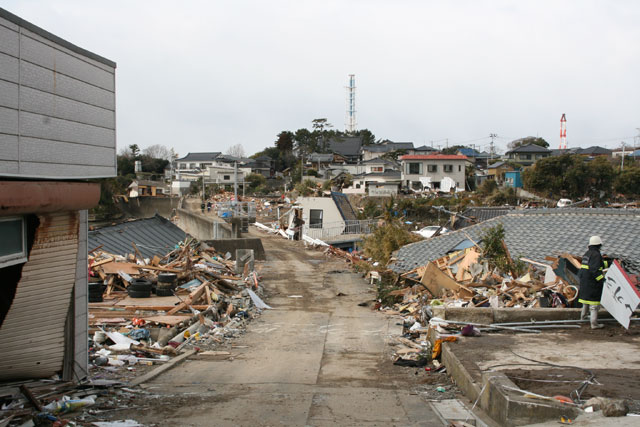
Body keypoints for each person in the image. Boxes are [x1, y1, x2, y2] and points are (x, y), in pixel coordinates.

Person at [578, 236, 609, 329]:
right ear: (599, 245)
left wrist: (609, 262)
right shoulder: (596, 254)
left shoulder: (587, 254)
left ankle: (583, 319)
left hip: (585, 282)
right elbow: (595, 269)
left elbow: (597, 264)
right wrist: (601, 279)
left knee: (585, 302)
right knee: (594, 305)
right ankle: (594, 324)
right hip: (592, 283)